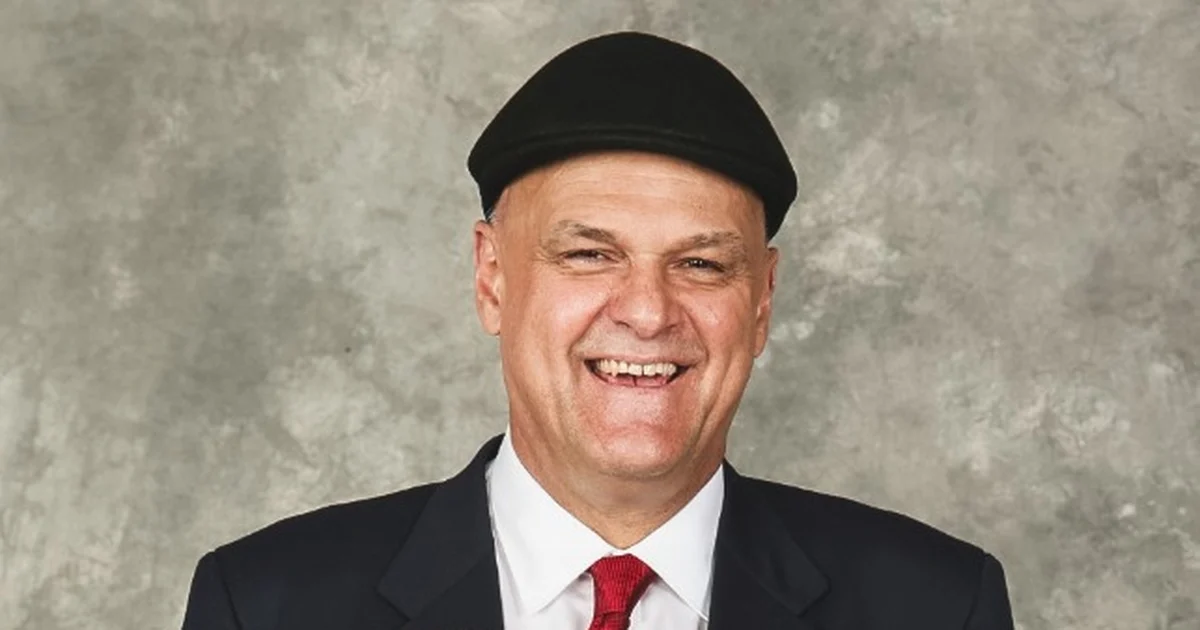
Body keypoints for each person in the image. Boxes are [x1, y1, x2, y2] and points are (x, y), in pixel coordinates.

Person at [181, 31, 1015, 630]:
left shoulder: (938, 607)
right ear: (492, 278)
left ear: (762, 303)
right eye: (588, 255)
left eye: (701, 264)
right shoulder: (266, 605)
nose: (647, 312)